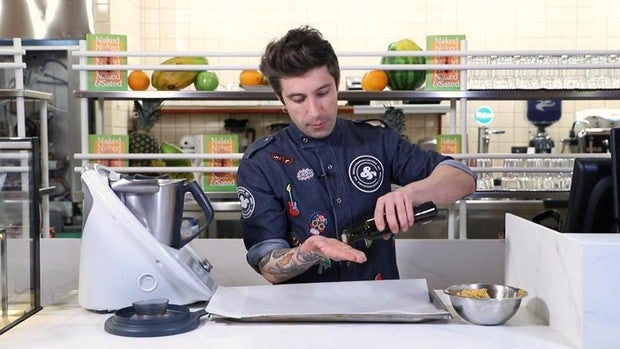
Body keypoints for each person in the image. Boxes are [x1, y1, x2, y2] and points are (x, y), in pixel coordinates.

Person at [236, 25, 476, 285]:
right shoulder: (262, 162)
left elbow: (463, 179)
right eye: (298, 99)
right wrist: (307, 252)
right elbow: (268, 265)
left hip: (380, 306)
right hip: (305, 315)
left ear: (336, 85)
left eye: (323, 93)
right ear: (281, 99)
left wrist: (411, 193)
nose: (315, 111)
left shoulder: (377, 141)